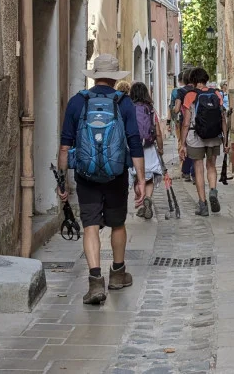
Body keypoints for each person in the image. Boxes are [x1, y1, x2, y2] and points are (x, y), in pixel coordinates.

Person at [56, 54, 145, 305]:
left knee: (91, 226)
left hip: (86, 176)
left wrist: (62, 182)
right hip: (116, 175)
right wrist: (140, 179)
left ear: (94, 76)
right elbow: (134, 143)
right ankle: (117, 274)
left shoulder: (77, 102)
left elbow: (65, 147)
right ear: (115, 78)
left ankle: (95, 282)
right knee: (118, 224)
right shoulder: (123, 103)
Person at [179, 67, 228, 216]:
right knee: (211, 166)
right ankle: (213, 190)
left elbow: (186, 123)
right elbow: (223, 119)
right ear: (205, 79)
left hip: (195, 137)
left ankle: (203, 204)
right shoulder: (217, 94)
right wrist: (225, 140)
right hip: (214, 136)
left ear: (193, 81)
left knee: (198, 169)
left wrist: (182, 143)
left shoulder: (190, 95)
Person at [129, 82, 164, 220]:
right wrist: (160, 148)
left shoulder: (129, 108)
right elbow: (158, 132)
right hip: (149, 147)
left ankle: (142, 200)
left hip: (133, 148)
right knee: (149, 178)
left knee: (138, 177)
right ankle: (147, 198)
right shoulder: (150, 109)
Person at [174, 69, 195, 182]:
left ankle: (186, 171)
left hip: (185, 121)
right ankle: (195, 173)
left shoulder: (181, 91)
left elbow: (177, 109)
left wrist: (174, 108)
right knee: (196, 146)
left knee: (185, 145)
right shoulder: (197, 90)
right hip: (198, 122)